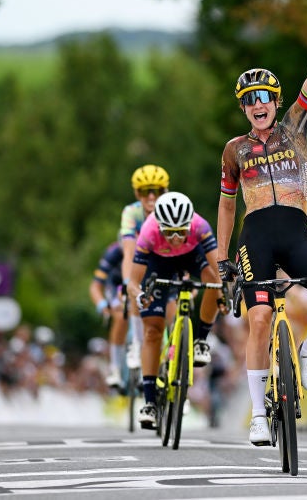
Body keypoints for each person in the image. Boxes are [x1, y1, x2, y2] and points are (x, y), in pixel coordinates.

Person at [216, 6, 307, 447]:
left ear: (275, 102)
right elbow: (227, 206)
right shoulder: (234, 150)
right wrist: (221, 257)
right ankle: (258, 413)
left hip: (295, 234)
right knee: (257, 318)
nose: (257, 105)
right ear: (243, 108)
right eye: (249, 100)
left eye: (264, 97)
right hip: (256, 238)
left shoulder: (294, 130)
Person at [126, 191, 223, 430]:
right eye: (171, 232)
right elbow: (132, 283)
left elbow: (218, 268)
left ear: (190, 223)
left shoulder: (200, 226)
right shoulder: (148, 233)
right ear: (160, 227)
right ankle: (149, 402)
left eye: (183, 230)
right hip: (158, 265)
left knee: (214, 279)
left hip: (192, 257)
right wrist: (139, 297)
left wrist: (223, 293)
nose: (178, 237)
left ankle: (200, 340)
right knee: (153, 331)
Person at [118, 164, 171, 376]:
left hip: (166, 260)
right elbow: (129, 253)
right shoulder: (131, 213)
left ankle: (174, 357)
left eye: (157, 191)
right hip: (141, 262)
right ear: (136, 193)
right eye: (144, 192)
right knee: (133, 287)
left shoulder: (171, 209)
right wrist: (127, 283)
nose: (151, 197)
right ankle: (136, 343)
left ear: (165, 192)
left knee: (173, 308)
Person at [87, 241, 129, 390]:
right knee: (121, 316)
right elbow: (95, 286)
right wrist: (102, 305)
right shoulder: (114, 253)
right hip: (116, 286)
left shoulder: (149, 247)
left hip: (138, 284)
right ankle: (115, 367)